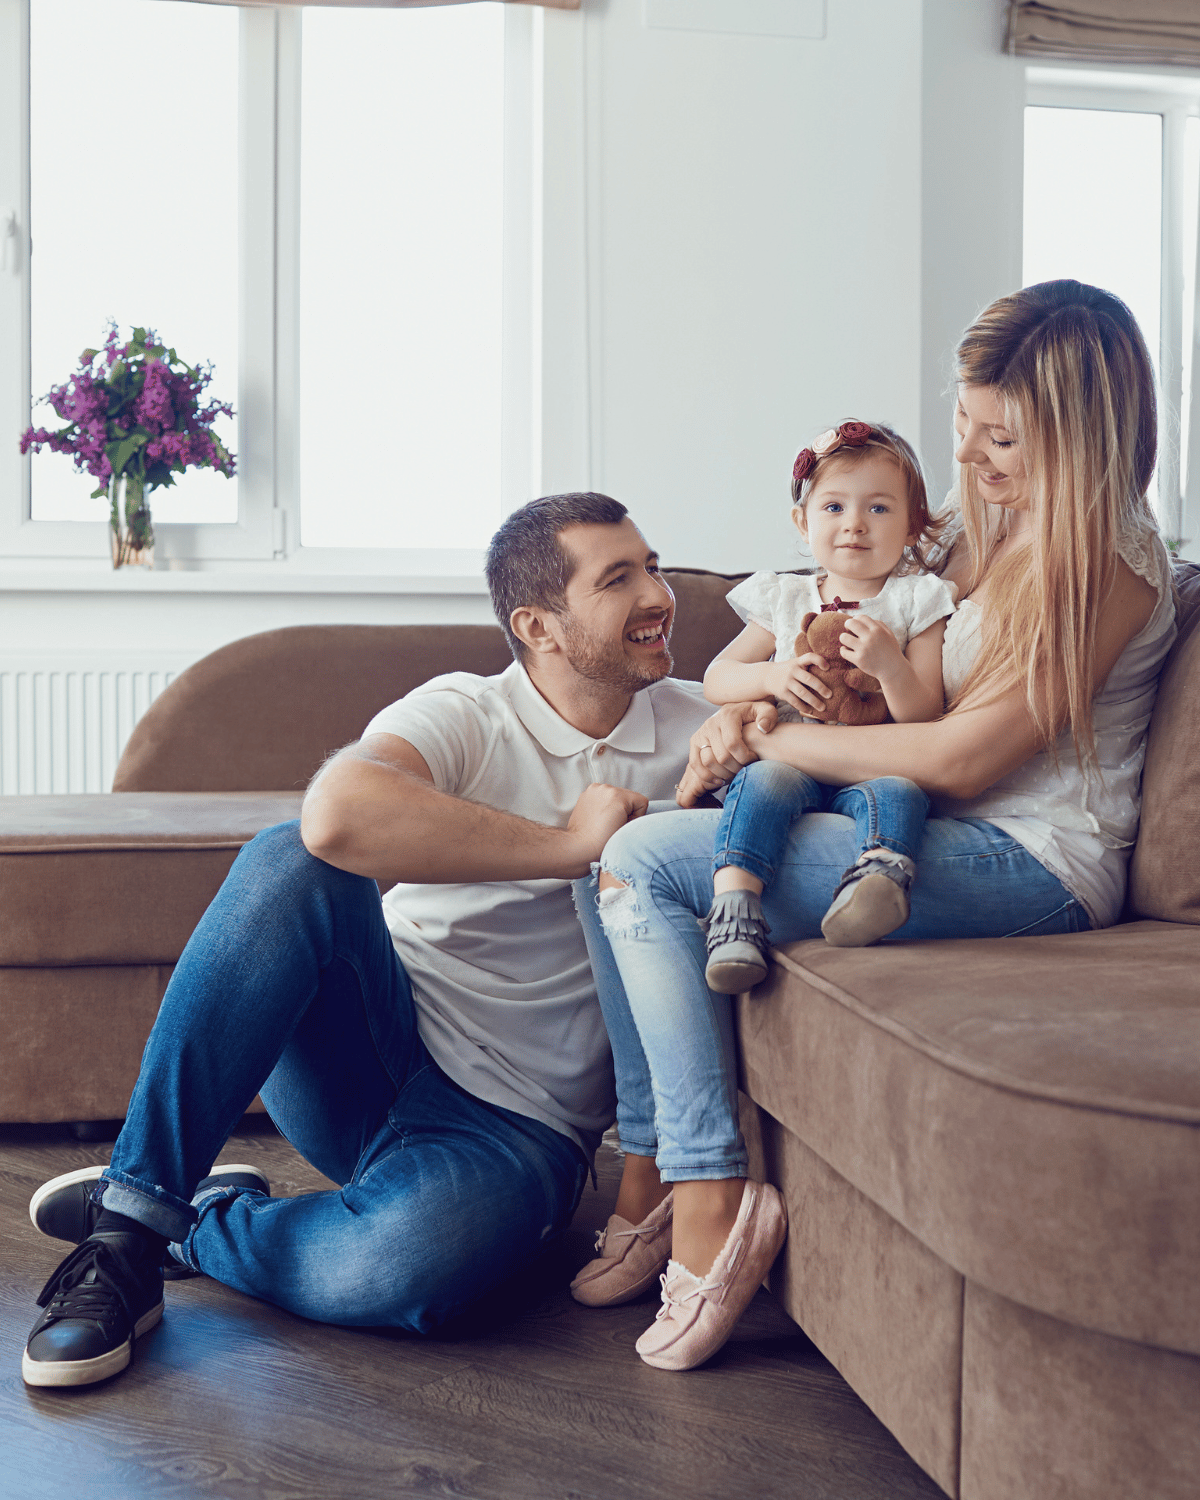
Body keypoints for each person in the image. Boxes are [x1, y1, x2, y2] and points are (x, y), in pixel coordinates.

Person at [569, 280, 1176, 1375]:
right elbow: (855, 654)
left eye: (1006, 441)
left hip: (1034, 861)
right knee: (606, 863)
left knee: (645, 867)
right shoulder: (980, 525)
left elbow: (960, 755)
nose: (976, 459)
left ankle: (712, 1194)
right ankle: (654, 1165)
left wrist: (770, 748)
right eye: (965, 424)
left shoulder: (1110, 564)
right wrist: (752, 714)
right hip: (926, 821)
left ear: (1084, 441)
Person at [20, 492, 712, 1389]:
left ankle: (195, 1220)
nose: (659, 593)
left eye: (654, 566)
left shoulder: (706, 729)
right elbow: (337, 814)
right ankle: (123, 1238)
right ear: (538, 625)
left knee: (402, 1271)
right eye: (621, 578)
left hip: (519, 1132)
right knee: (290, 860)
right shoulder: (467, 708)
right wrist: (571, 848)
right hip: (373, 1045)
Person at [701, 419, 957, 993]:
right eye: (834, 507)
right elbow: (716, 678)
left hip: (875, 760)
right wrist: (773, 676)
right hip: (792, 760)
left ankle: (877, 882)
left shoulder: (918, 601)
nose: (854, 526)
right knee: (761, 783)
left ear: (915, 523)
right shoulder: (785, 596)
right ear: (803, 520)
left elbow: (924, 715)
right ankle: (736, 910)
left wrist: (890, 665)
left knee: (900, 793)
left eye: (879, 509)